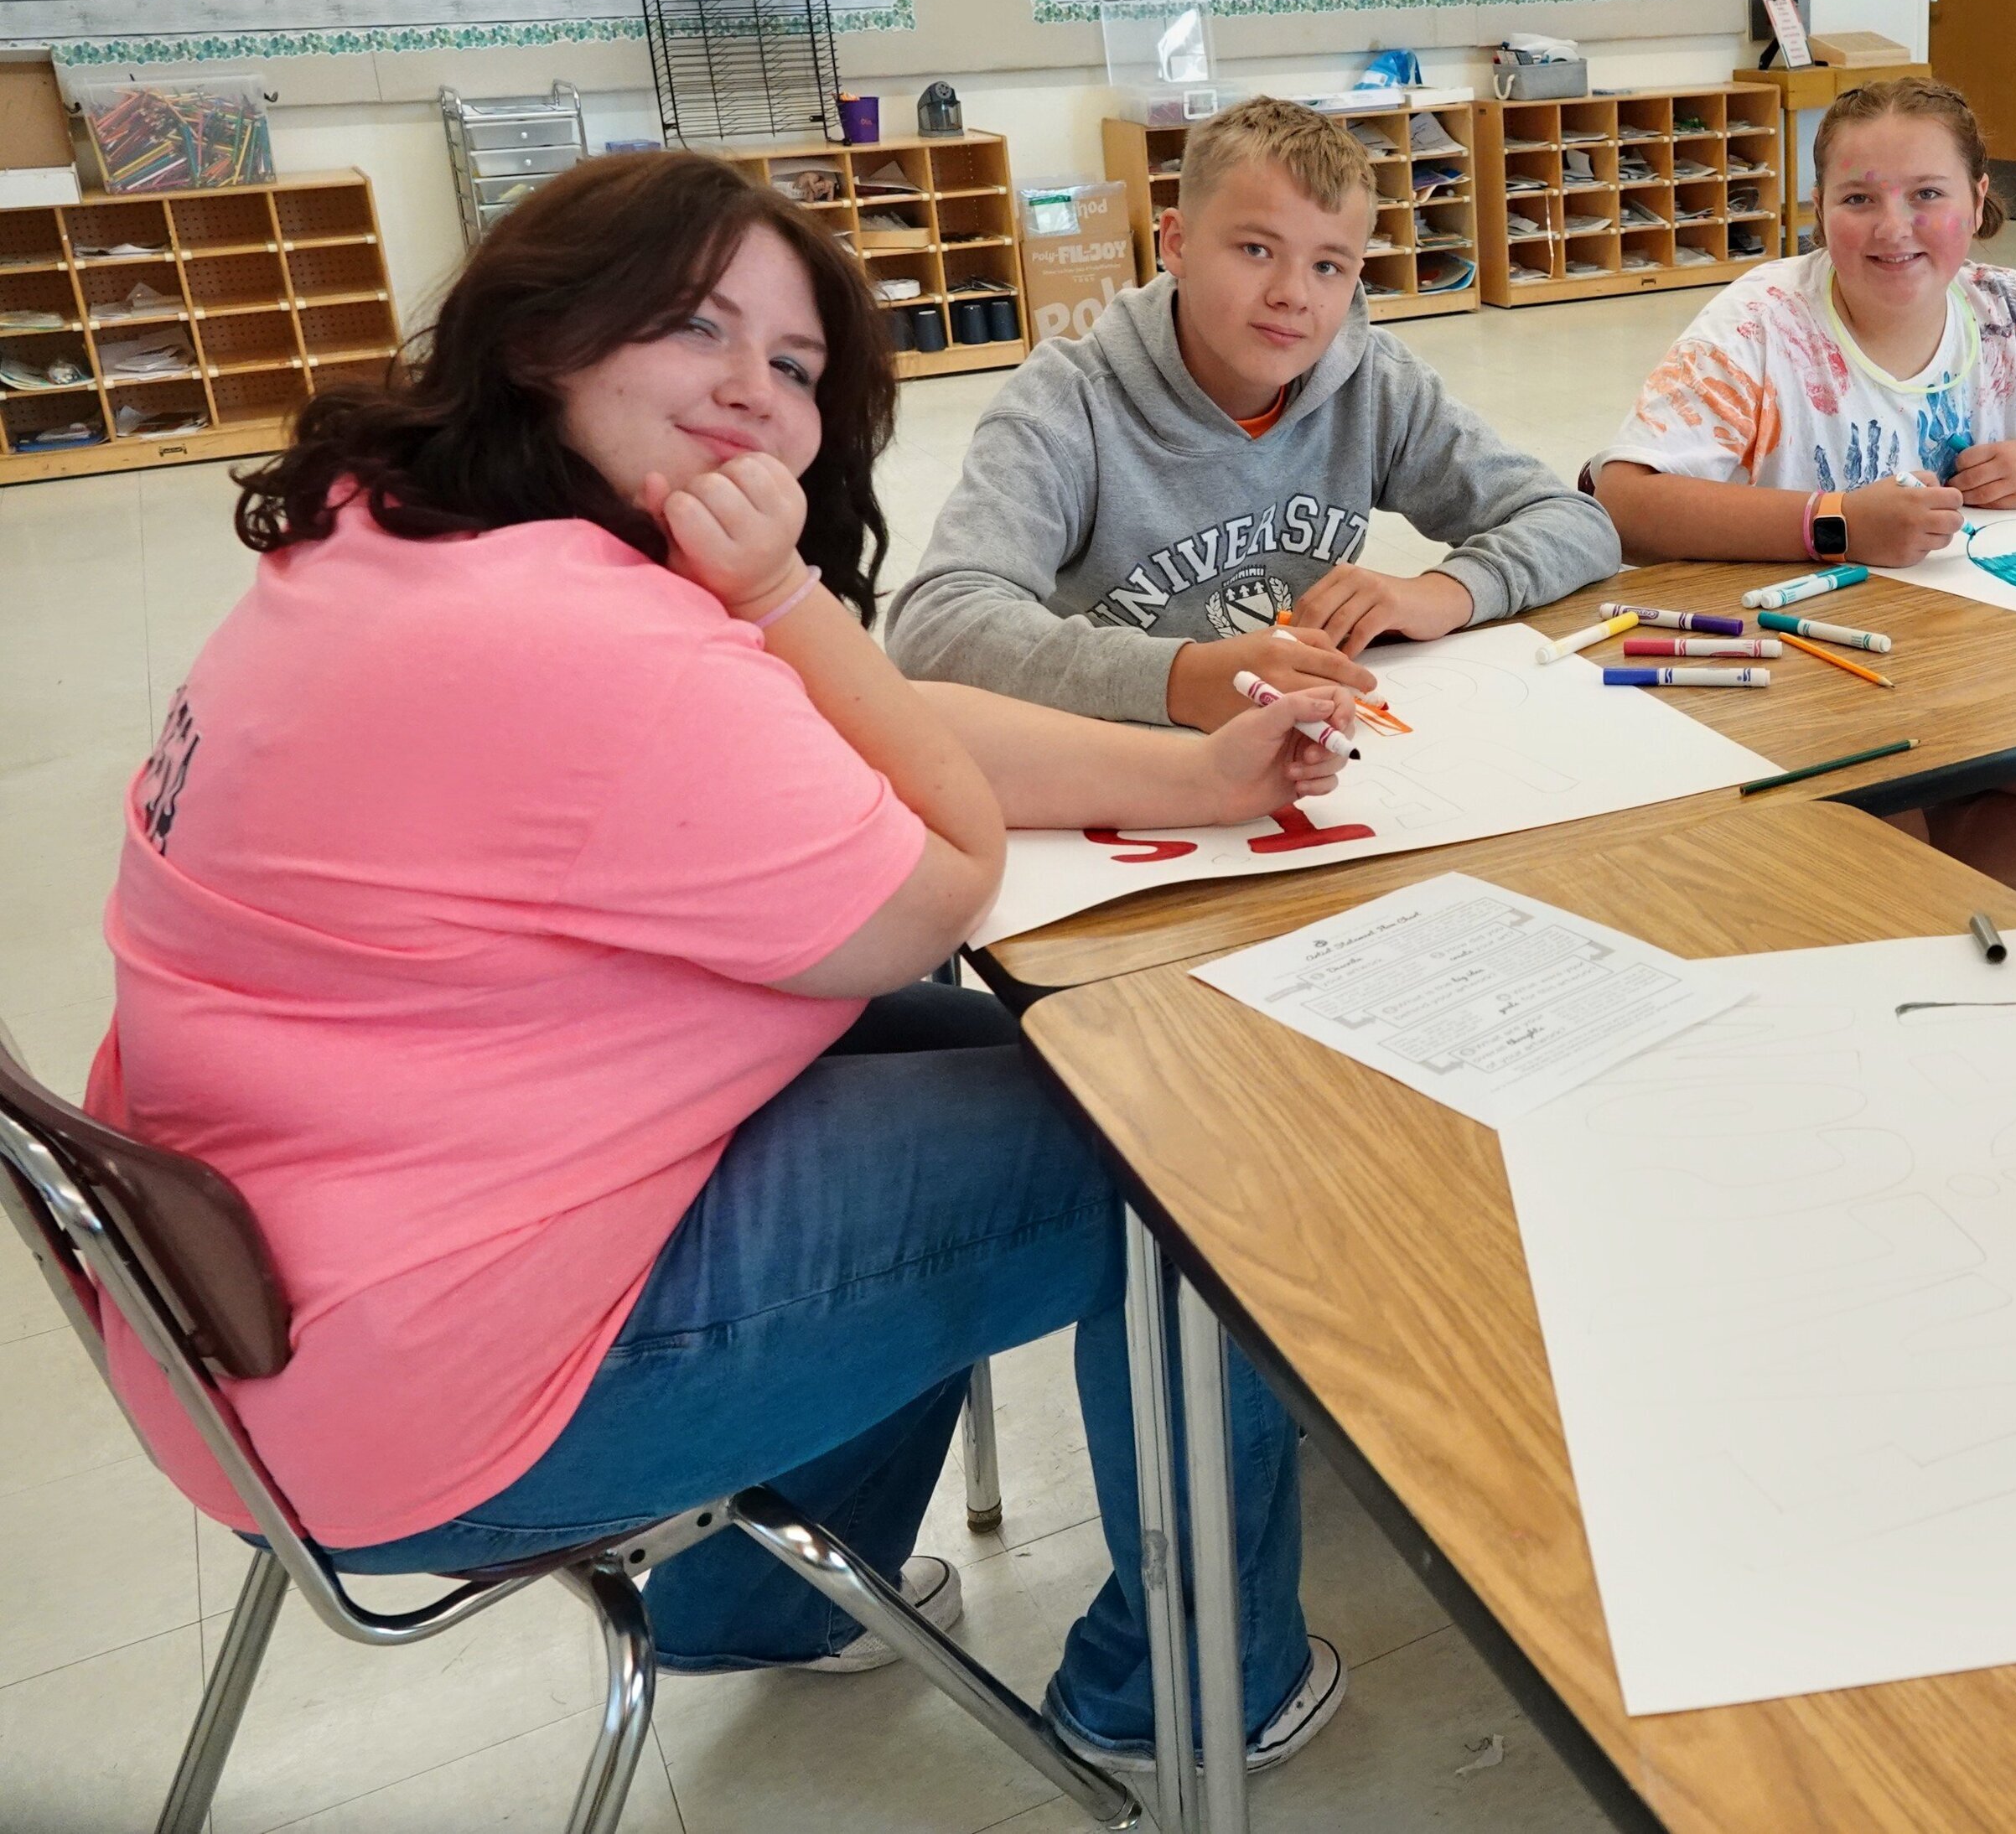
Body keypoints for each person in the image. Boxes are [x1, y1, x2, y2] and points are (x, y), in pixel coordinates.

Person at [90, 153, 1356, 1789]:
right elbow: (938, 866)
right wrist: (785, 591)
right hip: (439, 1393)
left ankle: (760, 1594)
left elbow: (822, 734)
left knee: (985, 1048)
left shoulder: (398, 535)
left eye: (797, 364)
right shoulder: (575, 637)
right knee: (1172, 1136)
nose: (755, 391)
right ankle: (1192, 1683)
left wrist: (1193, 778)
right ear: (547, 334)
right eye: (697, 326)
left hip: (278, 1317)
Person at [1588, 76, 2016, 887]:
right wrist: (1834, 521)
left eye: (1928, 194)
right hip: (1803, 667)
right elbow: (1624, 500)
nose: (1893, 229)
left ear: (1978, 200)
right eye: (1858, 199)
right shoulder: (1759, 324)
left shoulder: (2009, 311)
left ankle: (1907, 919)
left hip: (1962, 655)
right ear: (1819, 209)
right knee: (1885, 814)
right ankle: (1896, 914)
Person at [883, 96, 1620, 726]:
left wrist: (1445, 592)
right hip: (1129, 749)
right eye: (1256, 250)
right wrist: (1183, 679)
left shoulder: (1375, 384)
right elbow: (936, 625)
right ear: (1176, 242)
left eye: (1327, 265)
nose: (1293, 294)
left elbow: (1574, 521)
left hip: (1305, 745)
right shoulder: (1066, 406)